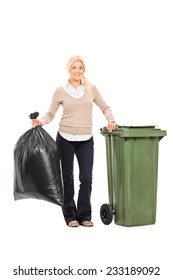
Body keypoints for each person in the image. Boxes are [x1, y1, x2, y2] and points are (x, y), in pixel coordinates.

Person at [32, 55, 117, 227]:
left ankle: (85, 215)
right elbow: (51, 114)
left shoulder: (91, 88)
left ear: (83, 70)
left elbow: (105, 107)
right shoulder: (60, 91)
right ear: (69, 69)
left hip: (86, 139)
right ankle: (70, 216)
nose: (77, 71)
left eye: (80, 68)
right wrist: (40, 121)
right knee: (68, 178)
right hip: (65, 138)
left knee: (86, 178)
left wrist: (111, 120)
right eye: (74, 68)